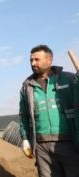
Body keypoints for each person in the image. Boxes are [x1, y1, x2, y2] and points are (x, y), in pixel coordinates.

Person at [19, 44, 79, 177]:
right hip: (41, 147)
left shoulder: (69, 79)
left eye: (37, 59)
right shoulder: (27, 87)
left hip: (68, 143)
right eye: (31, 60)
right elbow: (23, 115)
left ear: (49, 60)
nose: (33, 63)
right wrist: (24, 138)